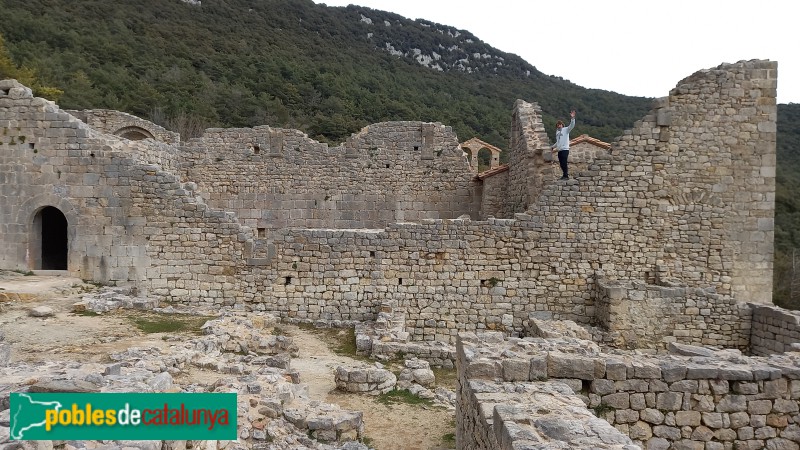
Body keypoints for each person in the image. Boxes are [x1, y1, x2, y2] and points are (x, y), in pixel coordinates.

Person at [551, 110, 576, 180]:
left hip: (565, 149)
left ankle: (566, 175)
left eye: (560, 125)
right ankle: (564, 175)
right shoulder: (557, 133)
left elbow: (572, 126)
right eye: (557, 125)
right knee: (561, 163)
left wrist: (572, 118)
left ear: (562, 125)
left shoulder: (566, 130)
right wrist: (552, 147)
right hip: (559, 150)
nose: (559, 126)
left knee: (564, 162)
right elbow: (558, 142)